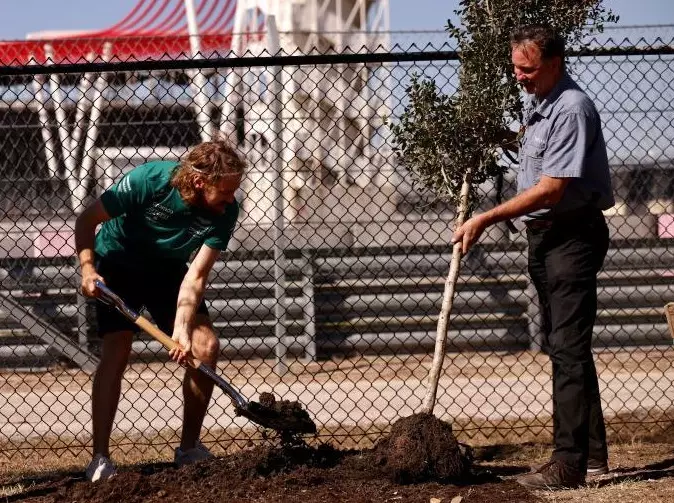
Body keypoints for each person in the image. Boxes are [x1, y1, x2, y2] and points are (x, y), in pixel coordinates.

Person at [452, 24, 614, 489]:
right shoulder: (539, 104)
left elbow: (552, 188)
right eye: (515, 68)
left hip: (571, 237)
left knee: (567, 348)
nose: (519, 77)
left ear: (554, 63)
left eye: (527, 69)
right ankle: (594, 455)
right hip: (544, 238)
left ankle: (568, 465)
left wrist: (486, 217)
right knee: (567, 349)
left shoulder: (572, 108)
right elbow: (536, 162)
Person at [75, 140, 245, 482]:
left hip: (168, 269)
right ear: (201, 182)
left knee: (205, 346)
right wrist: (88, 269)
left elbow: (196, 276)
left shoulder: (225, 212)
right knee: (117, 349)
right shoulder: (148, 181)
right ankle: (100, 459)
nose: (232, 199)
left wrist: (181, 330)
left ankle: (188, 448)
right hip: (118, 261)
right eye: (225, 191)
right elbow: (86, 220)